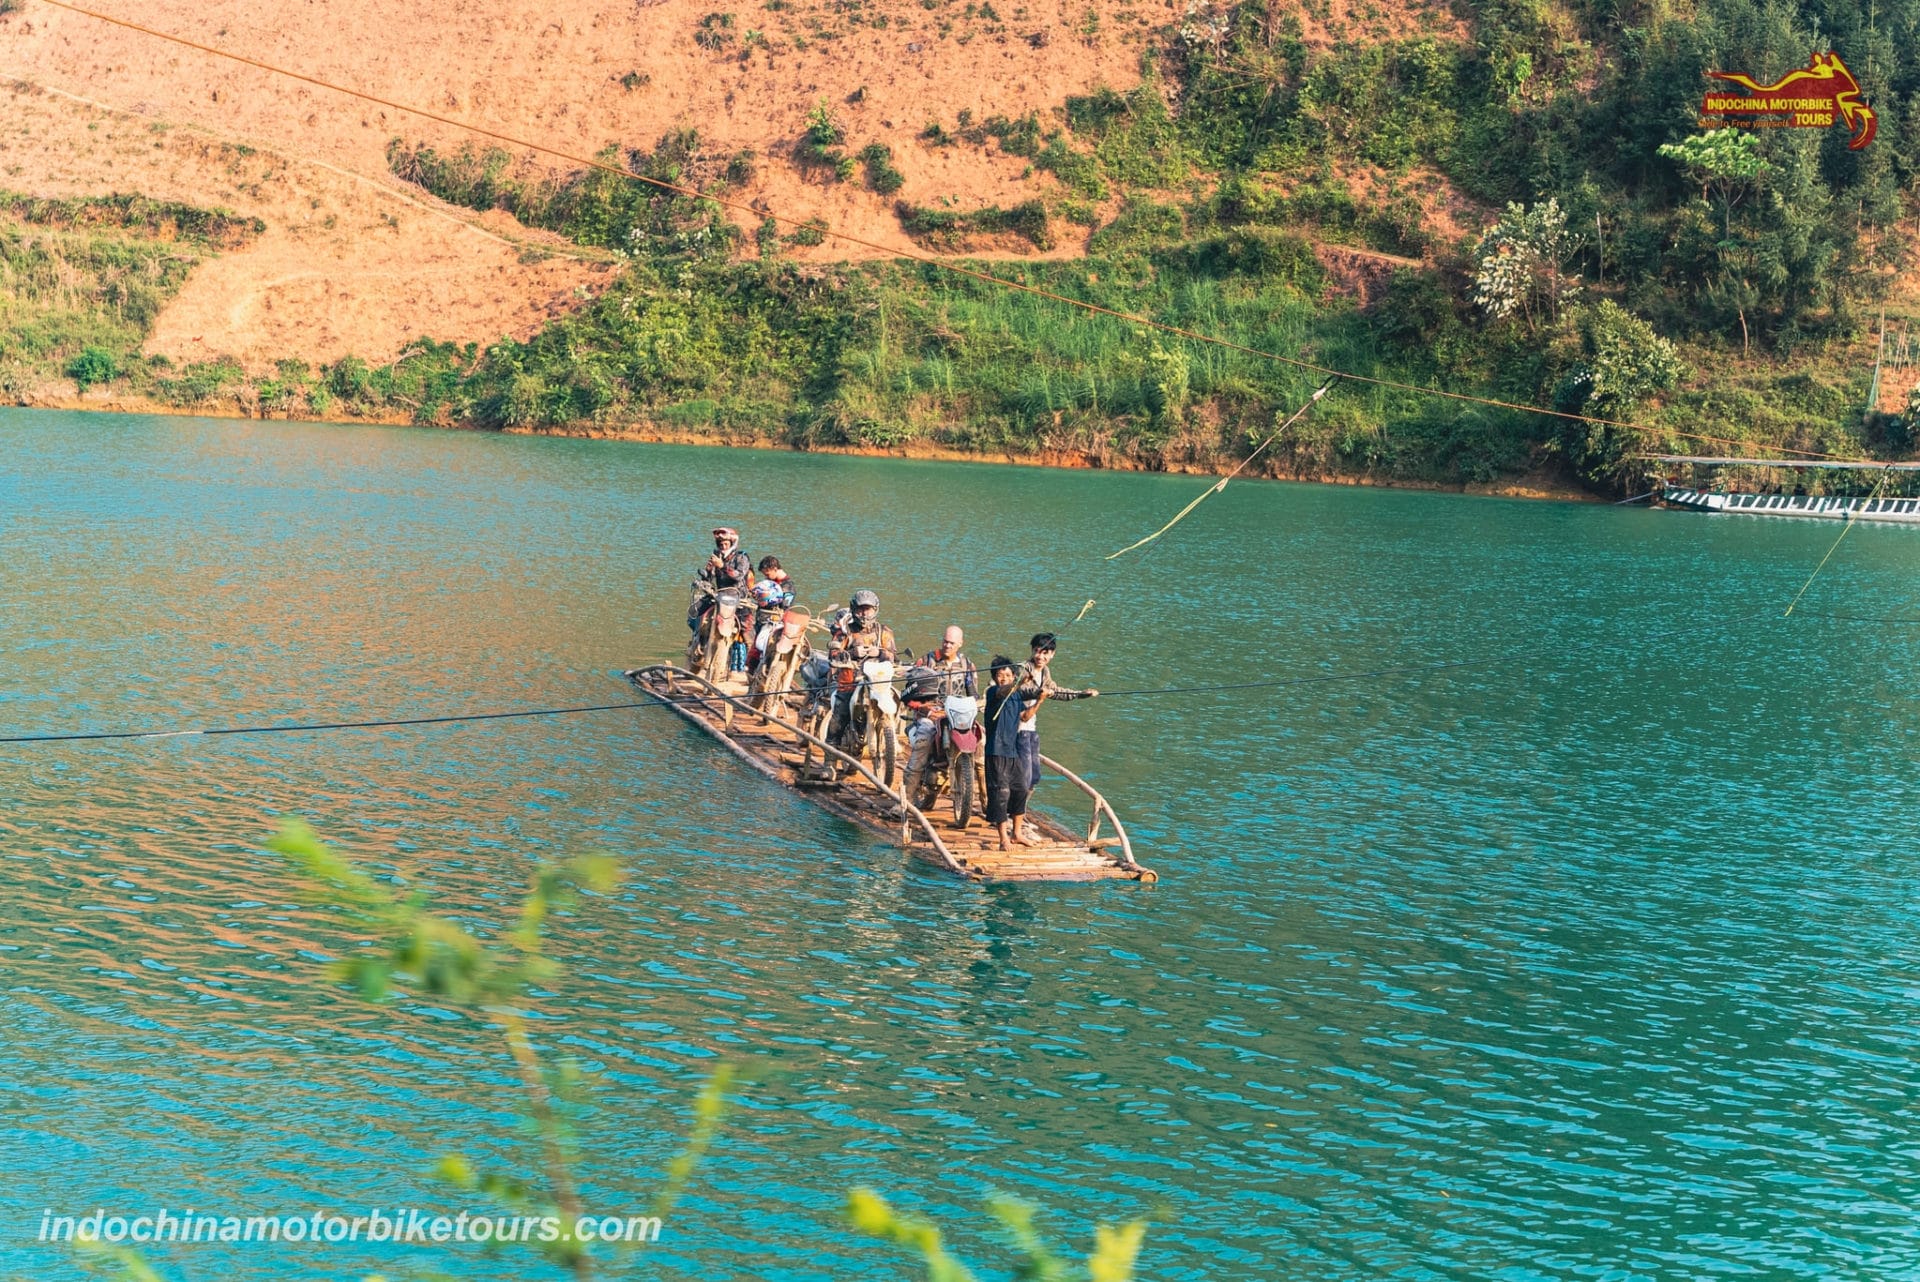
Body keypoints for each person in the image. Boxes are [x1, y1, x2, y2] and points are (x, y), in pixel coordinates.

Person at [1014, 632, 1098, 841]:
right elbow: (1020, 691)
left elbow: (1056, 692)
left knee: (1034, 778)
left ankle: (1019, 812)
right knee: (1023, 778)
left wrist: (1080, 694)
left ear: (1052, 655)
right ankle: (1015, 820)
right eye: (1037, 651)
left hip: (1031, 727)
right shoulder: (1022, 669)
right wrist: (1040, 693)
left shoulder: (1046, 672)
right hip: (1016, 726)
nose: (1040, 656)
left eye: (1045, 653)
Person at [827, 589, 896, 750]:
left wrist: (879, 652)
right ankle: (829, 761)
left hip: (877, 681)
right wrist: (852, 653)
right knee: (839, 715)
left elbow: (894, 656)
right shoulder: (844, 632)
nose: (864, 613)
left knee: (894, 699)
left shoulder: (884, 632)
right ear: (853, 609)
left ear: (875, 609)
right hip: (850, 680)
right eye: (860, 609)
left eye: (868, 609)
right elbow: (833, 655)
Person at [983, 657, 1033, 850]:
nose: (1004, 678)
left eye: (1008, 675)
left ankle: (1017, 833)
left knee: (1021, 789)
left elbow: (1025, 716)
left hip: (1012, 751)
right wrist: (1020, 682)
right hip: (996, 751)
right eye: (1000, 675)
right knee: (1000, 793)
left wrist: (1041, 699)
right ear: (995, 678)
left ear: (1013, 676)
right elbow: (1004, 691)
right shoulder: (994, 692)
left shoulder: (1016, 696)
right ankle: (1003, 838)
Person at [688, 526, 752, 635]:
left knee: (746, 629)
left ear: (732, 544)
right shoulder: (717, 556)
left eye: (726, 544)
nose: (723, 546)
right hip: (719, 595)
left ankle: (750, 649)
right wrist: (707, 573)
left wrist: (722, 566)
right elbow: (709, 579)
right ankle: (699, 642)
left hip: (737, 595)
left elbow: (739, 576)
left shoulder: (742, 557)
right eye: (721, 544)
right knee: (693, 613)